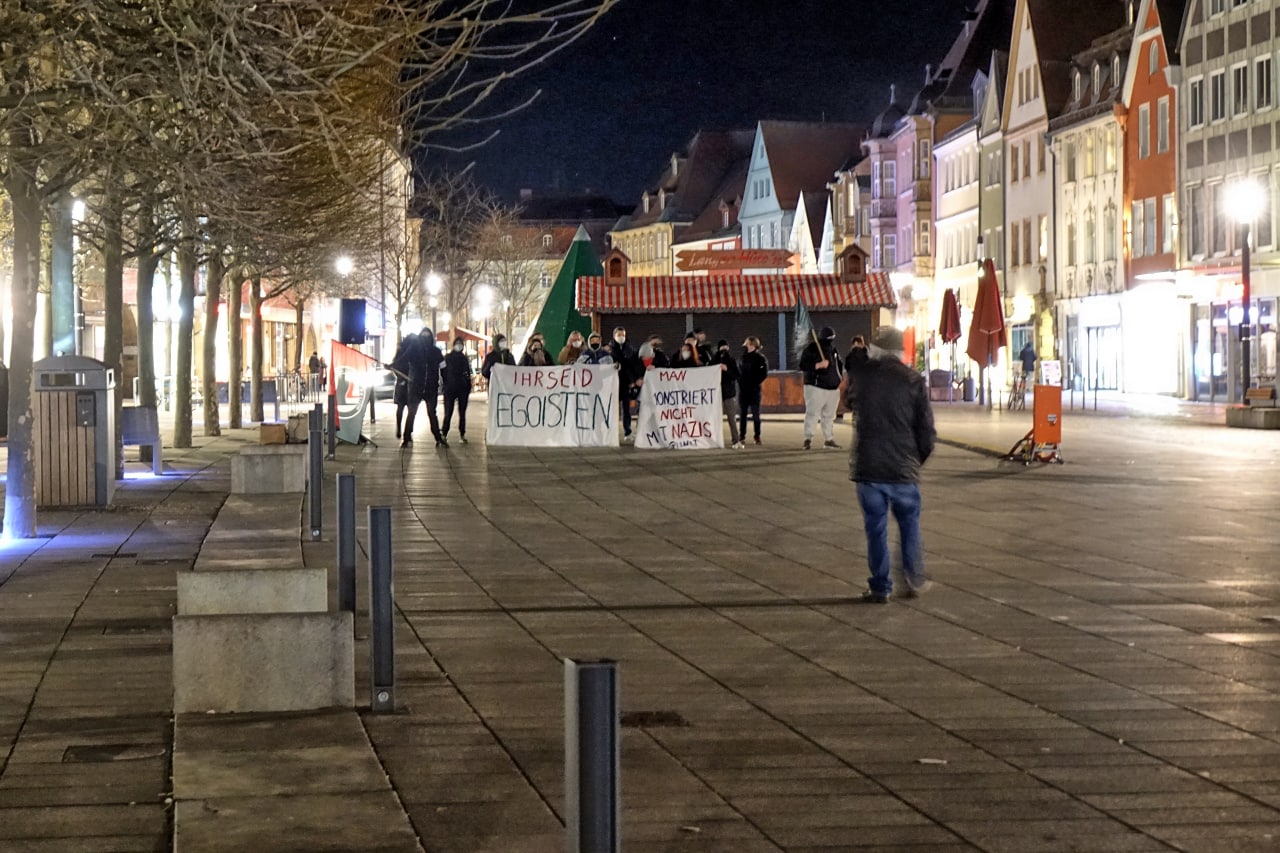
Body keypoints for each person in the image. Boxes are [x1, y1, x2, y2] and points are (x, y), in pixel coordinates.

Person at [847, 327, 936, 604]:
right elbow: (927, 433)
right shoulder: (913, 380)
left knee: (876, 529)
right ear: (900, 351)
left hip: (869, 467)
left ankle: (880, 586)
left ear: (876, 350)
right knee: (910, 525)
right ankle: (912, 578)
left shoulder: (863, 377)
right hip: (903, 470)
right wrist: (914, 461)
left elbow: (849, 403)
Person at [393, 327, 446, 448]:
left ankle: (438, 437)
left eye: (428, 335)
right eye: (424, 335)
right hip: (416, 386)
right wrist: (393, 365)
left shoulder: (436, 352)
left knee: (432, 413)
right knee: (412, 412)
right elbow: (403, 359)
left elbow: (443, 368)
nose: (426, 338)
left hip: (430, 387)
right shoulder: (414, 350)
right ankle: (407, 437)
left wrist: (445, 383)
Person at [799, 326, 843, 450]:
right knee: (812, 414)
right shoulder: (811, 349)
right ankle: (808, 438)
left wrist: (839, 378)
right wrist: (817, 365)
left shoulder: (833, 349)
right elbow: (803, 365)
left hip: (833, 387)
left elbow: (838, 364)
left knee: (829, 416)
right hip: (816, 386)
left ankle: (829, 439)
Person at [611, 326, 641, 441]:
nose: (621, 337)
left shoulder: (630, 349)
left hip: (626, 382)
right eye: (619, 335)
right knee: (612, 408)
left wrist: (632, 380)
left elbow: (633, 365)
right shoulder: (611, 349)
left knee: (626, 409)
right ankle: (611, 431)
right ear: (614, 336)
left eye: (623, 335)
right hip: (614, 382)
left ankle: (627, 431)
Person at [737, 336, 769, 445]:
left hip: (754, 391)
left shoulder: (760, 358)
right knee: (743, 414)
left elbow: (764, 373)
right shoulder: (742, 357)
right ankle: (741, 436)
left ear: (753, 345)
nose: (745, 345)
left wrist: (755, 382)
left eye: (747, 344)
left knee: (756, 414)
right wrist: (741, 382)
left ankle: (757, 436)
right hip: (743, 390)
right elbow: (739, 372)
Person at [441, 337, 472, 444]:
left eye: (460, 344)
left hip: (461, 388)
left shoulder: (464, 358)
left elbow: (468, 373)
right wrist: (446, 383)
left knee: (462, 413)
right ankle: (444, 433)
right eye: (457, 344)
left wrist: (468, 386)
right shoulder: (448, 357)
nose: (459, 345)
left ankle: (462, 433)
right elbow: (443, 372)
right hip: (451, 388)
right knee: (448, 412)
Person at [713, 339, 743, 448]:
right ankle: (715, 439)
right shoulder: (714, 359)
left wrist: (727, 370)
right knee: (715, 418)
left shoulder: (731, 360)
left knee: (732, 418)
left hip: (729, 393)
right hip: (717, 393)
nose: (724, 350)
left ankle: (736, 440)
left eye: (725, 347)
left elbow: (736, 375)